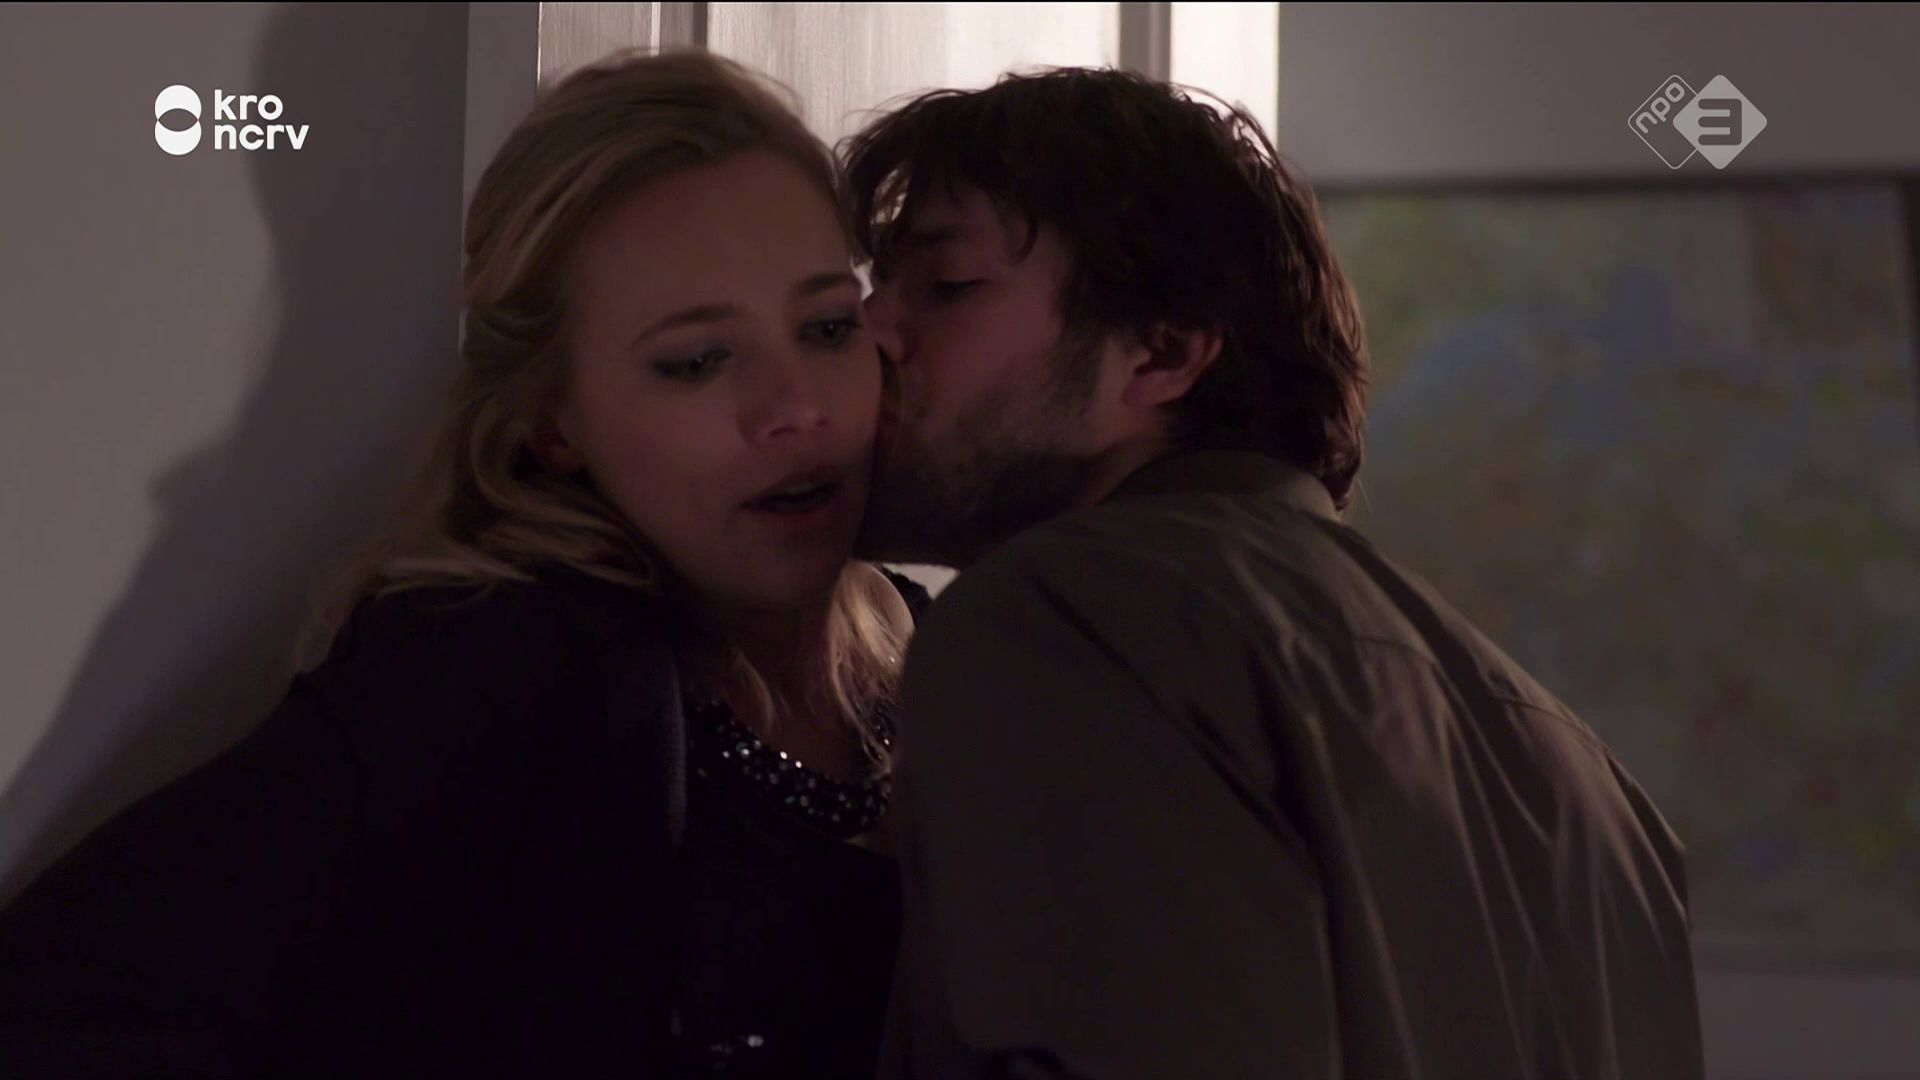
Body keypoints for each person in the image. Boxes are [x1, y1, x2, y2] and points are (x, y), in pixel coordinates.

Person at [0, 49, 926, 1078]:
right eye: (697, 362)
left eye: (827, 327)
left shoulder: (942, 647)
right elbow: (61, 999)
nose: (796, 408)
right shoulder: (501, 669)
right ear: (553, 419)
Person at [844, 68, 1704, 1079]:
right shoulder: (1595, 788)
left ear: (1160, 353)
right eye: (875, 285)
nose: (871, 329)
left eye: (947, 286)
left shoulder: (1069, 619)